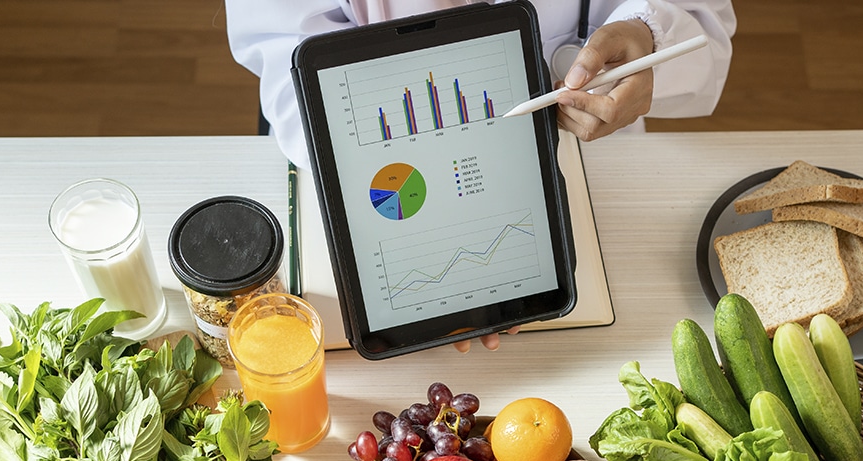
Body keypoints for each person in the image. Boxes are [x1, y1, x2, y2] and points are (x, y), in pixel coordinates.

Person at [225, 0, 736, 351]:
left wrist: (646, 33)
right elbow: (281, 46)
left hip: (603, 164)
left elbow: (704, 23)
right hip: (387, 167)